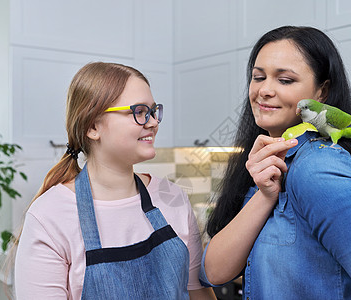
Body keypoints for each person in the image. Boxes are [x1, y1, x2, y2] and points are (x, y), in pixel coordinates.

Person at [199, 26, 351, 299]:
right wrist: (265, 195)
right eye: (258, 77)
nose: (264, 90)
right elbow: (211, 272)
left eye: (285, 80)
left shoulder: (317, 168)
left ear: (322, 92)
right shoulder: (267, 163)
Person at [13, 62, 216, 299]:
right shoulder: (49, 216)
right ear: (92, 127)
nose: (153, 122)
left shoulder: (173, 197)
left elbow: (198, 293)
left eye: (153, 111)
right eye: (138, 112)